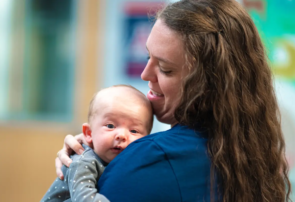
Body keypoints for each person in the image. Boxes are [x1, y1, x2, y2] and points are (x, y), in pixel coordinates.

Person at [55, 0, 292, 201]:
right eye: (148, 57)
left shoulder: (151, 158)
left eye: (166, 69)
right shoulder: (251, 157)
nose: (145, 74)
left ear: (208, 84)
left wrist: (76, 171)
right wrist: (90, 157)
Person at [42, 85, 153, 202]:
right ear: (89, 133)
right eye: (110, 126)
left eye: (134, 131)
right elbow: (85, 199)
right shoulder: (83, 161)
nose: (121, 135)